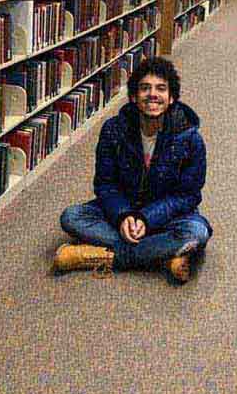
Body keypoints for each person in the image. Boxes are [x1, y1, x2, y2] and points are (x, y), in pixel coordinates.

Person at [53, 57, 211, 283]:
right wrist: (124, 216)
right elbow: (105, 184)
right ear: (134, 98)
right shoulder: (113, 130)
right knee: (72, 217)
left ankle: (102, 256)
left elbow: (188, 195)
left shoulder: (190, 139)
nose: (152, 95)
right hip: (125, 210)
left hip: (167, 216)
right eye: (145, 88)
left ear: (171, 98)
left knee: (197, 233)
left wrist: (147, 219)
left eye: (161, 89)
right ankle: (162, 255)